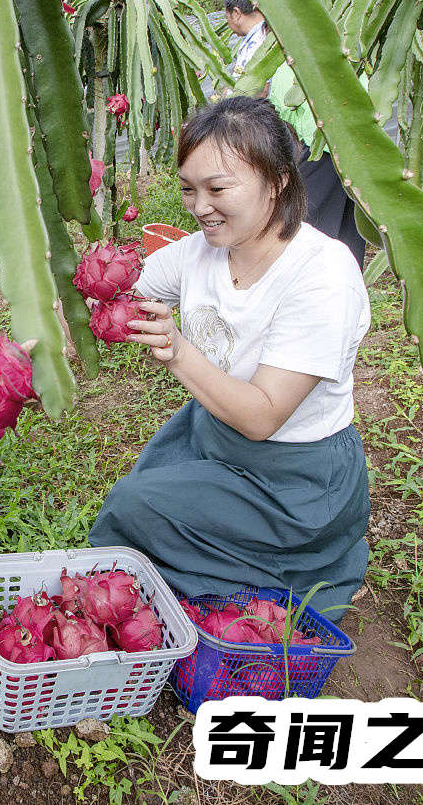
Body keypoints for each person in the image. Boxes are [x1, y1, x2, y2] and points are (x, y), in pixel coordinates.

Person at [88, 97, 371, 617]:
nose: (200, 207)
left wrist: (177, 352)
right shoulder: (201, 250)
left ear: (277, 181)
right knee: (144, 506)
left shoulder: (323, 275)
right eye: (188, 190)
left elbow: (263, 416)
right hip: (213, 434)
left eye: (218, 189)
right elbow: (118, 288)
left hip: (292, 477)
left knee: (134, 506)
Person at [224, 0, 367, 270]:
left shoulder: (280, 41)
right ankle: (342, 283)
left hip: (321, 143)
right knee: (345, 223)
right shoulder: (314, 37)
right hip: (346, 142)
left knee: (304, 223)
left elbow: (261, 93)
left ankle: (315, 284)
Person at [224, 0, 267, 78]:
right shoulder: (262, 35)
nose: (228, 23)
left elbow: (260, 90)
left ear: (236, 13)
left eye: (226, 17)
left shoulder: (259, 42)